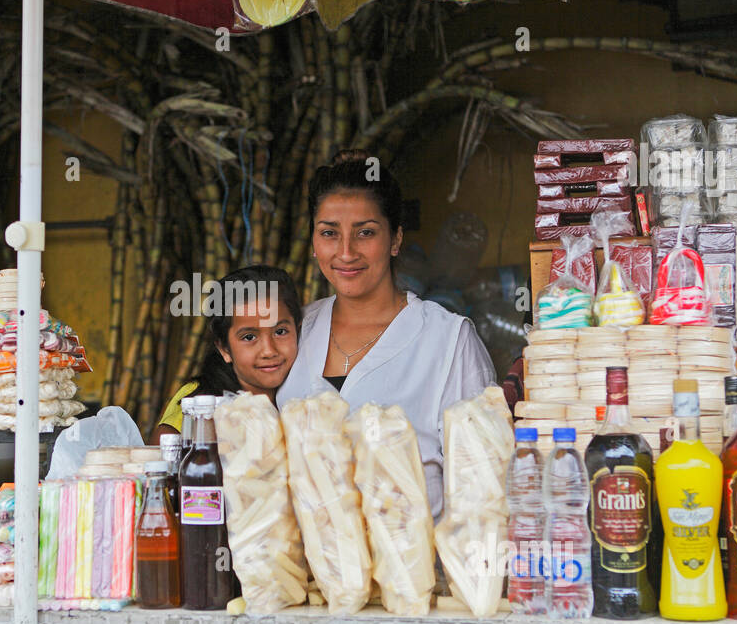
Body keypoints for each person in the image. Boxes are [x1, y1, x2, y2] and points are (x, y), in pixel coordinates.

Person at [275, 150, 497, 518]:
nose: (346, 253)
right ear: (314, 242)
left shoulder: (447, 341)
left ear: (395, 240)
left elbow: (483, 491)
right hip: (299, 572)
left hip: (416, 571)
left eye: (365, 233)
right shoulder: (290, 334)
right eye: (329, 233)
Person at [154, 264, 303, 440]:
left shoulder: (307, 397)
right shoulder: (200, 404)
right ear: (224, 348)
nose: (269, 351)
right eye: (249, 337)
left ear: (298, 329)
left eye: (280, 332)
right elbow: (162, 456)